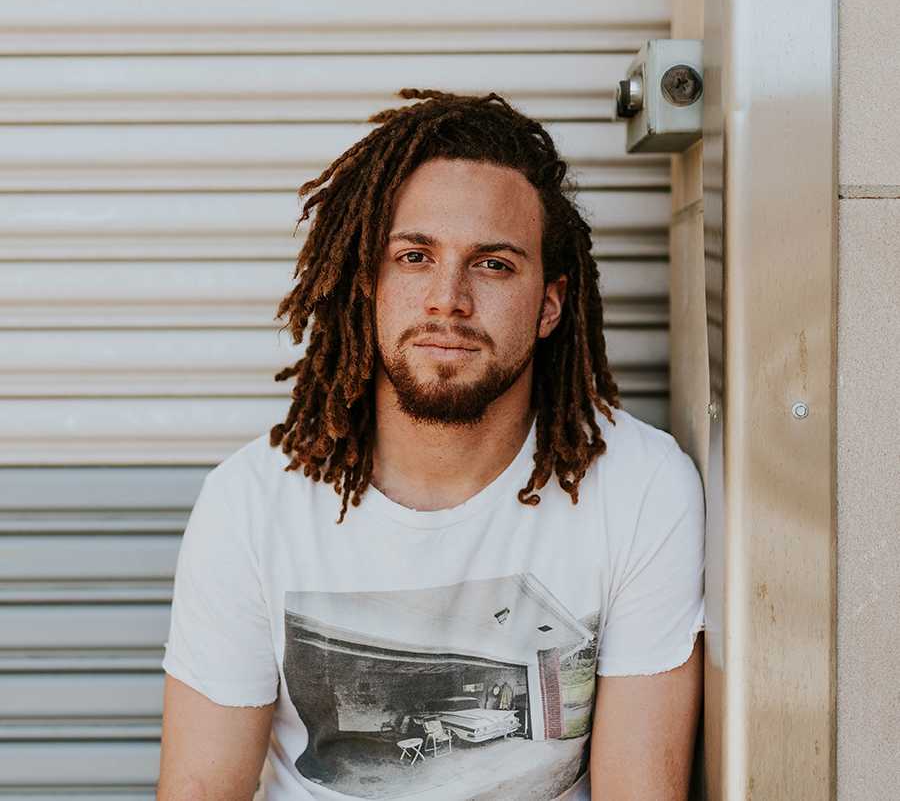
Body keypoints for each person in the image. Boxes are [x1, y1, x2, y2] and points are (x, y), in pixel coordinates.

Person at [157, 89, 705, 801]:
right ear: (370, 286)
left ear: (550, 305)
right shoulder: (252, 502)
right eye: (415, 256)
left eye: (494, 264)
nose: (449, 298)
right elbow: (201, 790)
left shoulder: (641, 488)